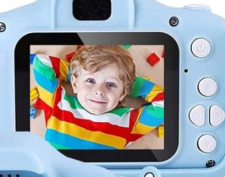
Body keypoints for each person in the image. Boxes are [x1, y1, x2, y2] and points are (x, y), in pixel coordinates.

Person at [32, 45, 164, 150]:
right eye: (90, 81)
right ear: (74, 84)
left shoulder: (129, 122)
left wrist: (126, 84)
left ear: (124, 94)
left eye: (110, 84)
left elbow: (165, 103)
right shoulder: (57, 103)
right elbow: (42, 63)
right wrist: (79, 74)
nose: (99, 91)